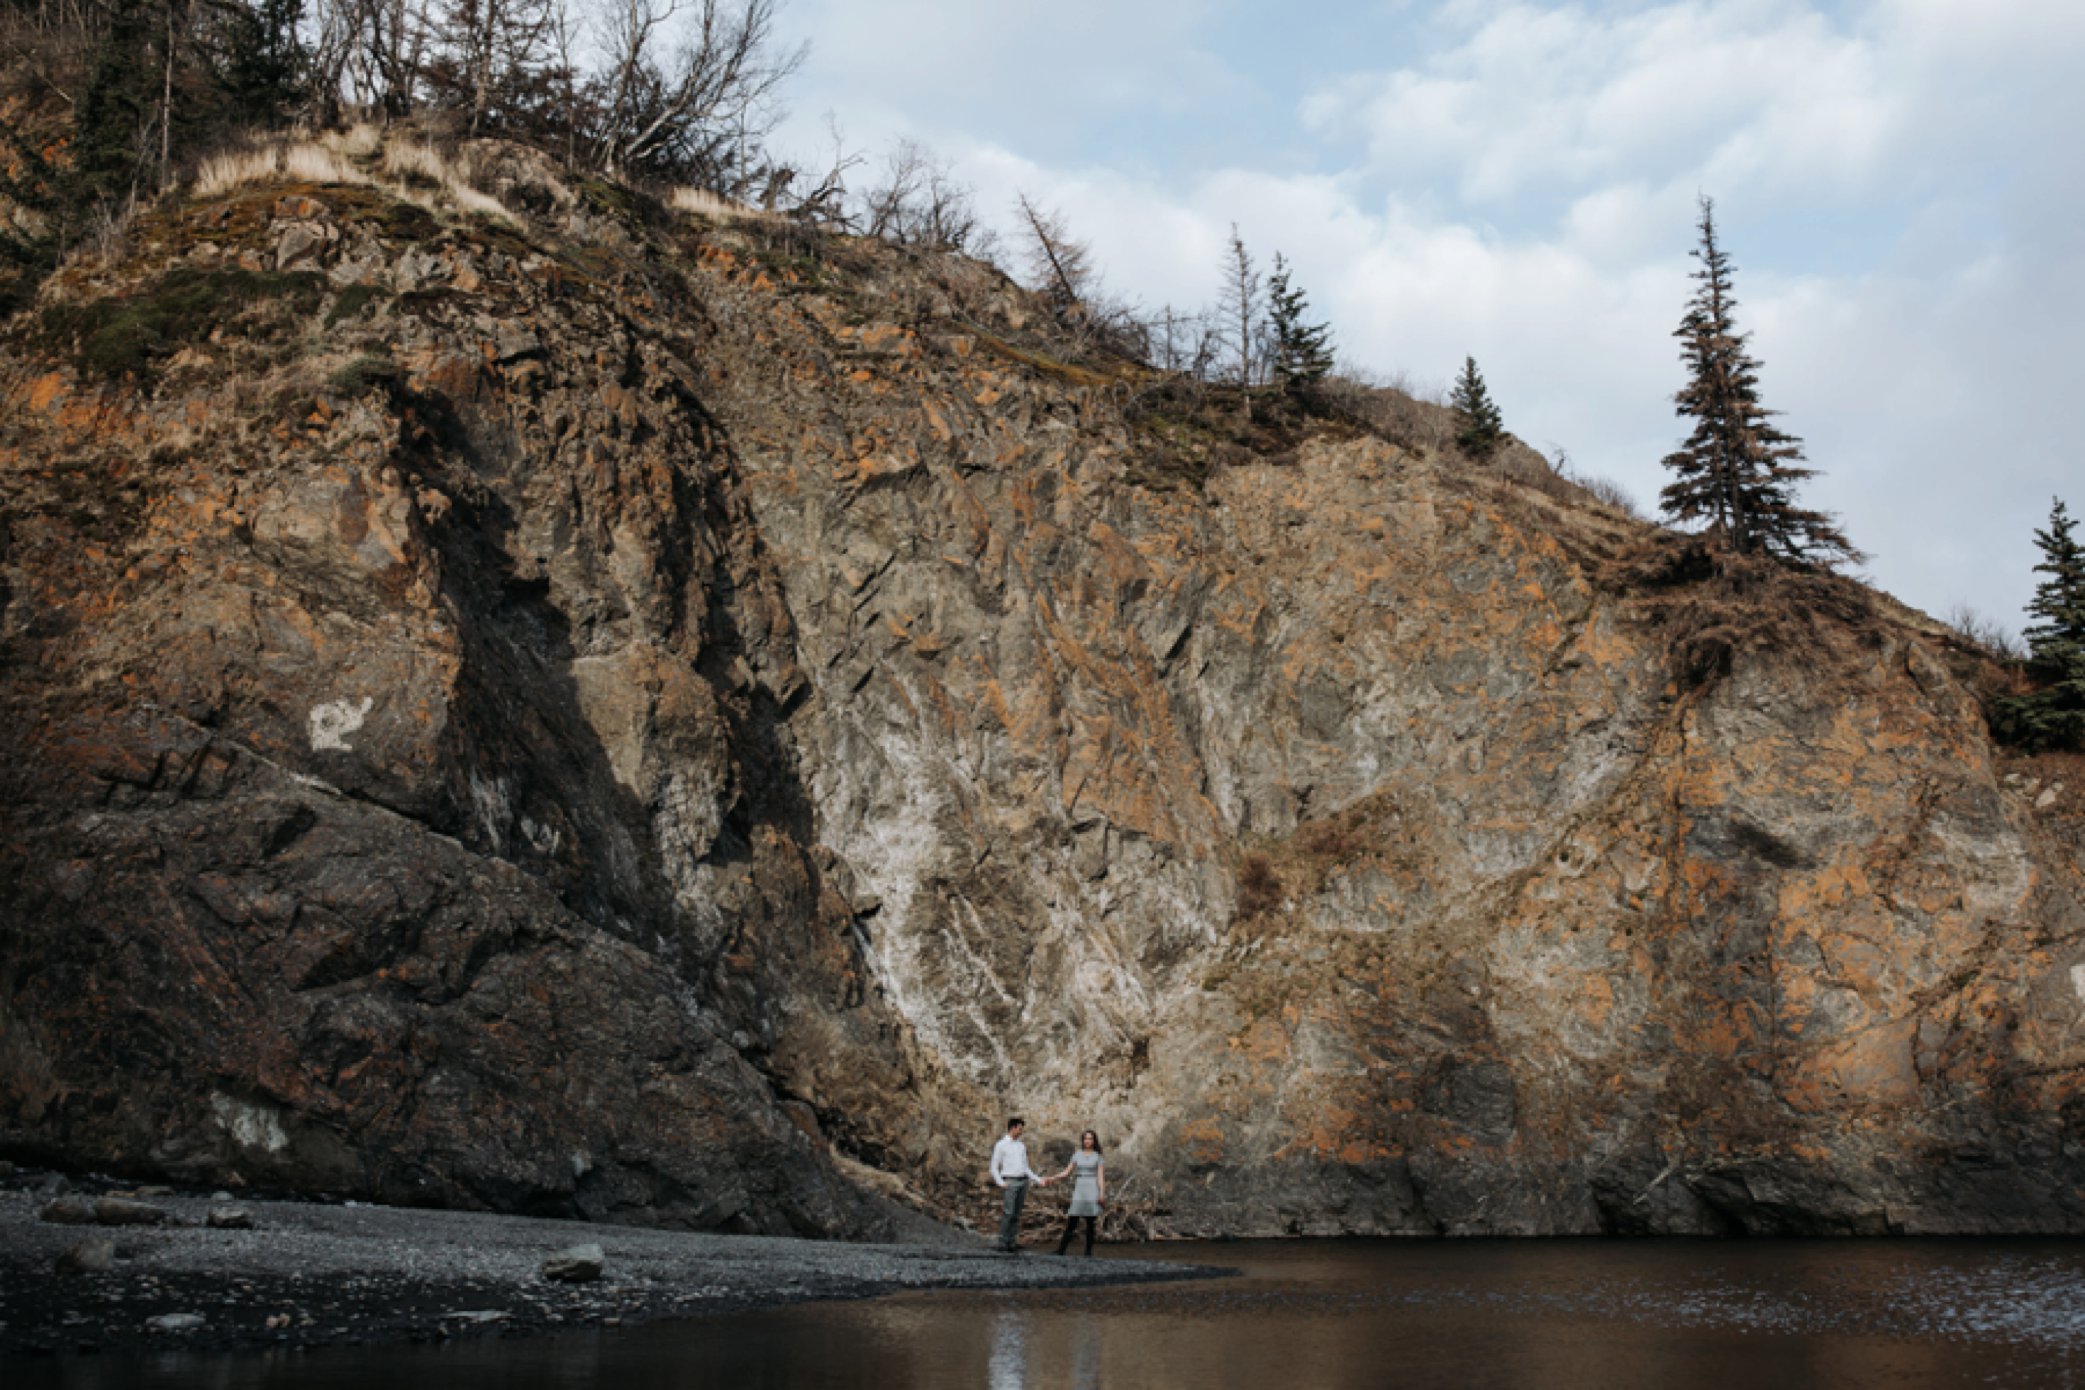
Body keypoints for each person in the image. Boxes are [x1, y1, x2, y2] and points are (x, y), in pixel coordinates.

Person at [989, 1117, 1047, 1253]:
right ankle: (1003, 1242)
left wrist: (1038, 1180)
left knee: (1016, 1213)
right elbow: (993, 1166)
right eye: (1020, 1128)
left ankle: (1012, 1242)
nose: (1021, 1131)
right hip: (1010, 1180)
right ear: (1013, 1128)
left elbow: (1026, 1167)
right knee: (1008, 1213)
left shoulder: (1021, 1146)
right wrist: (1000, 1182)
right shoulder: (1001, 1145)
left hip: (1022, 1181)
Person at [1049, 1129, 1106, 1256]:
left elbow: (1100, 1177)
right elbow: (1066, 1172)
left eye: (1090, 1139)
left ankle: (1088, 1253)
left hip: (1092, 1189)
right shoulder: (1077, 1155)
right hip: (1080, 1188)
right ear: (1083, 1140)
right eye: (1086, 1138)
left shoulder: (1098, 1157)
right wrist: (1053, 1178)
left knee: (1090, 1223)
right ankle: (1061, 1250)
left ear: (1094, 1141)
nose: (1088, 1141)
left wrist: (1101, 1194)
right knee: (1072, 1220)